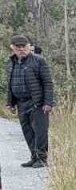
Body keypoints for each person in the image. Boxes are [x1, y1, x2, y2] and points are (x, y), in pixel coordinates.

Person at [6, 35, 55, 168]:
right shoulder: (11, 63)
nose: (21, 49)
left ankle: (42, 159)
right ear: (13, 48)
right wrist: (10, 102)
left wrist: (48, 103)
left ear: (29, 47)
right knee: (27, 131)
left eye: (24, 46)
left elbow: (48, 83)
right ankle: (34, 157)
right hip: (21, 103)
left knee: (40, 131)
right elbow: (10, 83)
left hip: (37, 103)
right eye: (18, 47)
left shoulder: (39, 61)